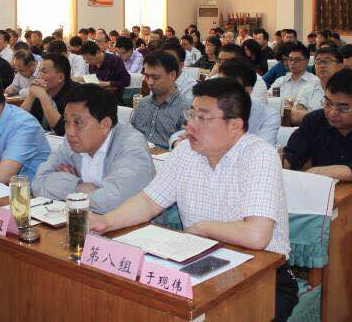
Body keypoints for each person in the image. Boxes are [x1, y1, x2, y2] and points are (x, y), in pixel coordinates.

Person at [90, 78, 297, 321]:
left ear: (235, 125)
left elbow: (256, 235)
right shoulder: (186, 152)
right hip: (200, 265)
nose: (190, 125)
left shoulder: (258, 155)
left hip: (264, 276)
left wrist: (202, 228)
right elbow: (148, 201)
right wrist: (106, 221)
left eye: (202, 118)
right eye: (191, 115)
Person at [284, 69, 352, 322]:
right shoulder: (314, 121)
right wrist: (282, 163)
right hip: (318, 202)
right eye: (328, 103)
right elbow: (293, 154)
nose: (333, 112)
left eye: (343, 108)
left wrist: (332, 171)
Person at [33, 84, 154, 213]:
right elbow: (38, 184)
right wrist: (78, 186)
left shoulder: (132, 148)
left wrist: (66, 188)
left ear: (105, 124)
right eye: (66, 121)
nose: (69, 131)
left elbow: (109, 203)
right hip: (84, 220)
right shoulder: (73, 142)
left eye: (78, 122)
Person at [214, 58, 280, 145]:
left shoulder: (268, 116)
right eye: (219, 84)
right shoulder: (209, 108)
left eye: (228, 87)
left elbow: (262, 149)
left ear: (248, 90)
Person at [130, 52, 189, 149]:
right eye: (147, 76)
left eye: (155, 78)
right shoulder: (143, 103)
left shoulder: (186, 108)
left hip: (166, 156)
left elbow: (184, 147)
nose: (150, 82)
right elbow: (131, 132)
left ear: (172, 75)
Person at [21, 53, 78, 136]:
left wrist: (43, 97)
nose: (39, 76)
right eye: (39, 71)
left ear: (60, 77)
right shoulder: (41, 90)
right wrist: (31, 96)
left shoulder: (76, 95)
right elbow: (19, 121)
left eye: (44, 72)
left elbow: (63, 130)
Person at [290, 46, 344, 125]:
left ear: (340, 66)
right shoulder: (308, 88)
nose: (321, 65)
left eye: (326, 61)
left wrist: (308, 114)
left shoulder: (348, 88)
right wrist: (326, 117)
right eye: (318, 62)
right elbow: (295, 116)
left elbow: (344, 118)